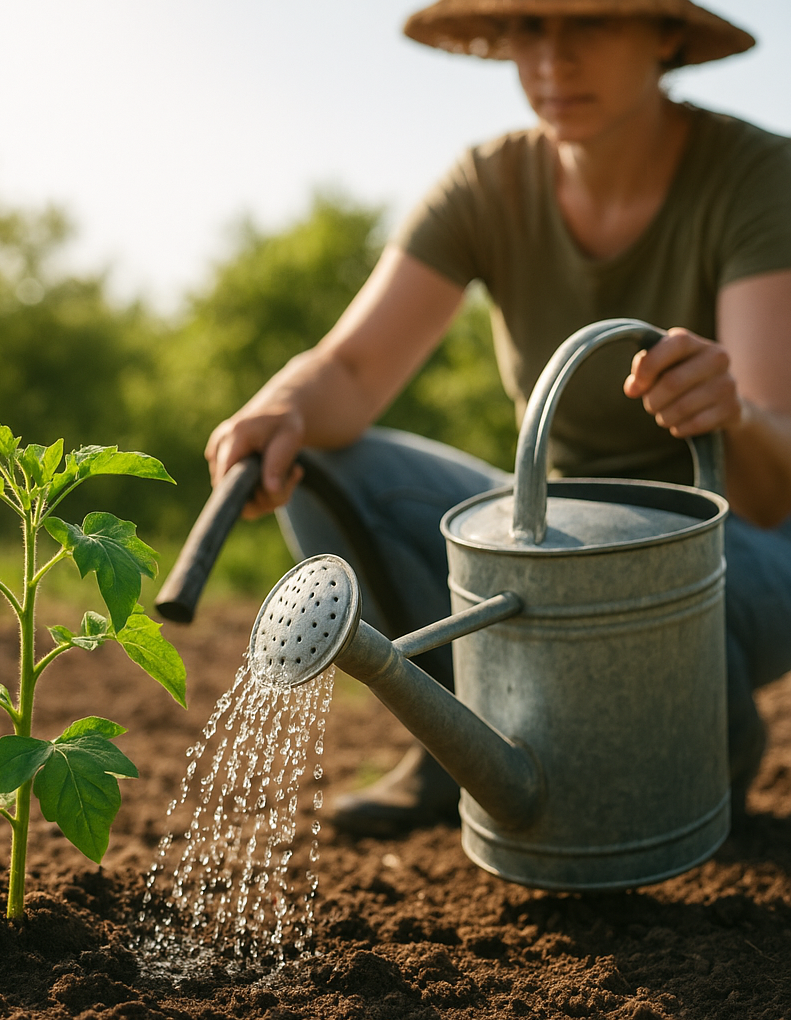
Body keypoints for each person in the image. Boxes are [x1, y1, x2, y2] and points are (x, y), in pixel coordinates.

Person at [206, 0, 791, 837]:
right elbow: (351, 371)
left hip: (746, 544)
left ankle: (698, 751)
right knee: (322, 463)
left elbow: (771, 493)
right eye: (529, 27)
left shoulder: (755, 175)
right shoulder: (488, 183)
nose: (553, 58)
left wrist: (730, 414)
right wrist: (281, 406)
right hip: (558, 529)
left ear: (665, 33)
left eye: (589, 23)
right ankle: (458, 745)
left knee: (616, 572)